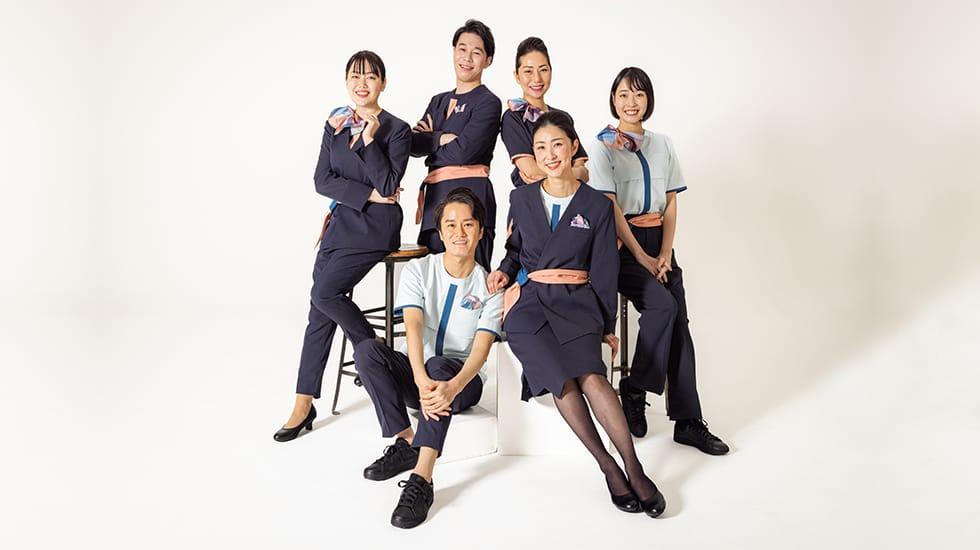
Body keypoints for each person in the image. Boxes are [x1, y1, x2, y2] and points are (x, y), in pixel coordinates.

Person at [487, 111, 667, 517]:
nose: (549, 155)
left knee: (591, 375)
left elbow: (605, 270)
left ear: (572, 149)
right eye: (540, 148)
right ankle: (608, 467)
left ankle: (634, 468)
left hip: (577, 301)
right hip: (530, 306)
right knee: (560, 378)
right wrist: (503, 269)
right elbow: (515, 250)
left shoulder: (597, 206)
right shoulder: (520, 198)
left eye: (556, 145)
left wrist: (605, 326)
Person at [587, 66, 729, 455]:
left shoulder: (663, 143)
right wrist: (642, 255)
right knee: (662, 306)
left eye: (638, 94)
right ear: (612, 100)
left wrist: (665, 253)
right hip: (621, 245)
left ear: (648, 99)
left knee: (679, 323)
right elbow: (610, 205)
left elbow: (670, 201)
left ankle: (686, 420)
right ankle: (634, 387)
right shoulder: (603, 146)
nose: (631, 102)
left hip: (659, 243)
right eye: (623, 95)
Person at [273, 51, 410, 442]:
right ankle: (304, 401)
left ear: (383, 82)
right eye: (355, 76)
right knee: (319, 309)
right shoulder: (334, 125)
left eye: (370, 76)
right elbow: (321, 180)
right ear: (346, 81)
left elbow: (390, 187)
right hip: (339, 227)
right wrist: (366, 193)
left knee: (324, 292)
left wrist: (369, 141)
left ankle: (374, 356)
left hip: (375, 230)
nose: (362, 83)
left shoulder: (396, 130)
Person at [354, 188, 502, 528]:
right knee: (367, 351)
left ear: (481, 231)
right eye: (450, 225)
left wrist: (451, 386)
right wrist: (420, 378)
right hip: (422, 375)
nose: (459, 233)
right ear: (440, 231)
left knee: (440, 368)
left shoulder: (490, 287)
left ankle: (423, 478)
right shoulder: (420, 270)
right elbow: (414, 326)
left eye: (468, 225)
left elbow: (480, 352)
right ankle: (406, 440)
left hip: (463, 382)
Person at [410, 19, 502, 271]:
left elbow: (465, 150)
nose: (467, 58)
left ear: (488, 60)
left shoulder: (488, 102)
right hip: (435, 200)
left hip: (472, 195)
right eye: (462, 49)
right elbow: (413, 144)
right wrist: (440, 138)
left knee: (471, 279)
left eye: (476, 52)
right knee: (430, 280)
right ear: (453, 51)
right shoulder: (437, 101)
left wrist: (431, 143)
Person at [499, 36, 588, 187]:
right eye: (528, 71)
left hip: (568, 200)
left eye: (543, 70)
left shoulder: (562, 117)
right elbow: (531, 171)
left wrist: (575, 173)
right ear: (517, 76)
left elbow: (584, 172)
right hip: (532, 202)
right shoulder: (513, 117)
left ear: (551, 71)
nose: (537, 78)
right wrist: (572, 174)